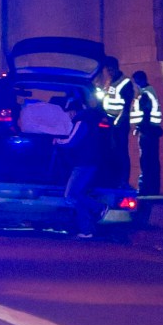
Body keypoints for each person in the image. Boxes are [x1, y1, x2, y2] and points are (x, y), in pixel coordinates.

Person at [54, 93, 110, 238]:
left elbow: (70, 142)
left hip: (83, 164)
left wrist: (57, 141)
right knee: (77, 194)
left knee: (71, 195)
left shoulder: (81, 123)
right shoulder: (89, 122)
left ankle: (99, 208)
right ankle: (86, 230)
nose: (68, 116)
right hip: (87, 163)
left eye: (68, 113)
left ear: (73, 111)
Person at [94, 56, 135, 187]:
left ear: (117, 68)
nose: (109, 72)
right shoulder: (110, 81)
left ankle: (123, 180)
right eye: (107, 70)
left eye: (111, 69)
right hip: (109, 120)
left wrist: (117, 122)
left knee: (120, 151)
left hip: (119, 123)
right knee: (109, 151)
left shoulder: (125, 83)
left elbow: (126, 106)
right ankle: (112, 178)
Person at [130, 70, 163, 195]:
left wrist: (141, 129)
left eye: (136, 82)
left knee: (147, 160)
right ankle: (153, 188)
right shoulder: (149, 92)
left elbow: (145, 115)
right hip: (152, 131)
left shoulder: (145, 95)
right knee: (152, 160)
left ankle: (146, 188)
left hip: (147, 132)